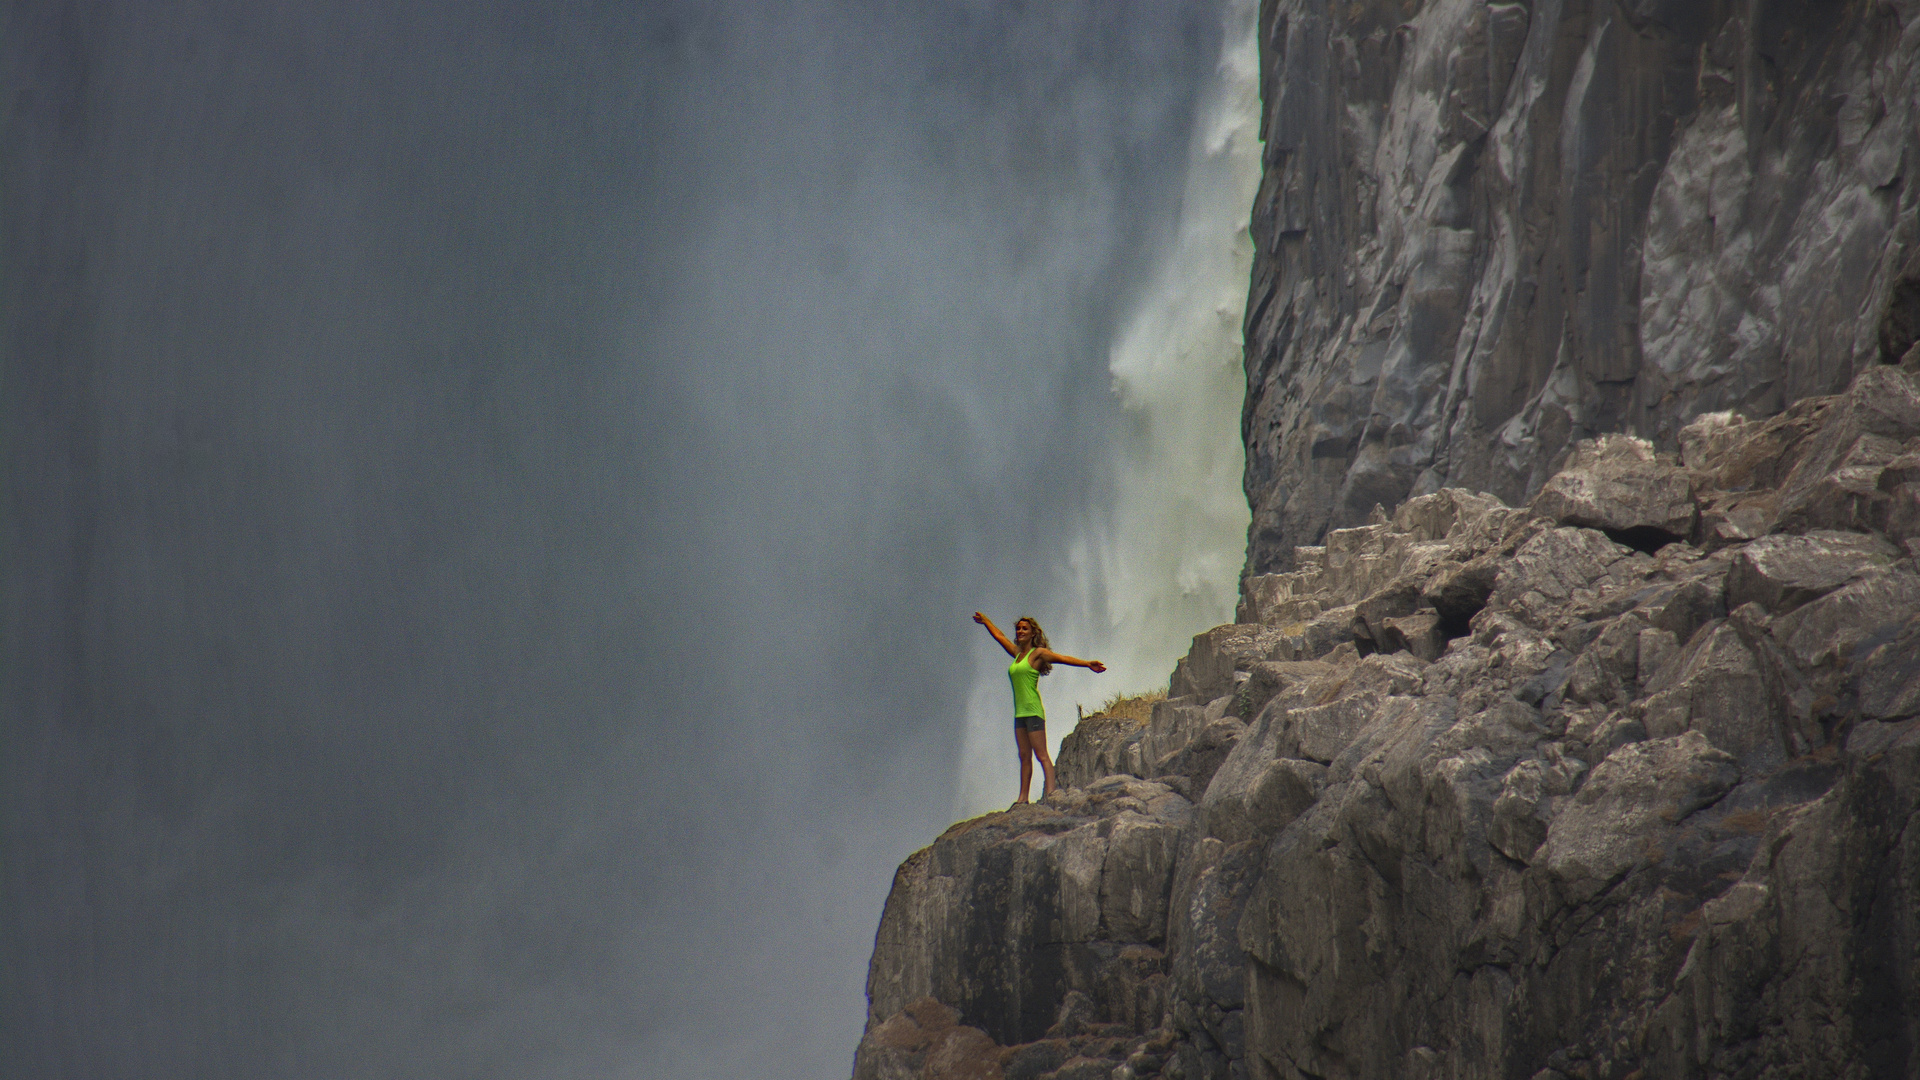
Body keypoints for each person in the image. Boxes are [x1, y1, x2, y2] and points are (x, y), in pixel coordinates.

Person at [972, 612, 1106, 805]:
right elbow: (999, 636)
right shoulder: (1017, 654)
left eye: (1024, 628)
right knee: (1024, 756)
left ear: (1033, 633)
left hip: (1033, 711)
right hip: (1020, 713)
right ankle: (1022, 798)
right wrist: (986, 622)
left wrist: (1087, 664)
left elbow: (1062, 658)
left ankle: (1051, 793)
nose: (1020, 631)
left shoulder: (1038, 654)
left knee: (1041, 754)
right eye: (1018, 628)